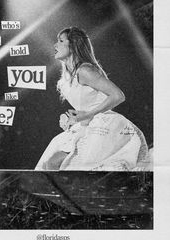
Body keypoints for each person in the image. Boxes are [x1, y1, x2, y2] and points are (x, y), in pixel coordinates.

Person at [35, 27, 151, 171]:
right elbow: (86, 106)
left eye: (60, 41)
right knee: (50, 163)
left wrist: (88, 115)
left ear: (73, 45)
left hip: (104, 126)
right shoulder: (69, 76)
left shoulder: (85, 70)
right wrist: (72, 120)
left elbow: (118, 96)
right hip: (86, 126)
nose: (55, 45)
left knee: (70, 168)